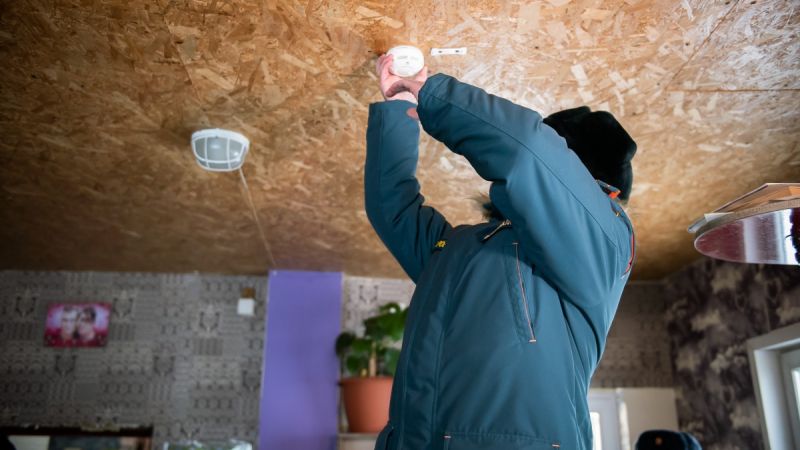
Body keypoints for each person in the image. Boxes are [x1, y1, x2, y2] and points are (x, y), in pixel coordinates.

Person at [365, 54, 636, 450]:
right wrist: (399, 106)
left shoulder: (605, 242)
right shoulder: (460, 246)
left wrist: (432, 95)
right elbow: (392, 208)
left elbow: (527, 151)